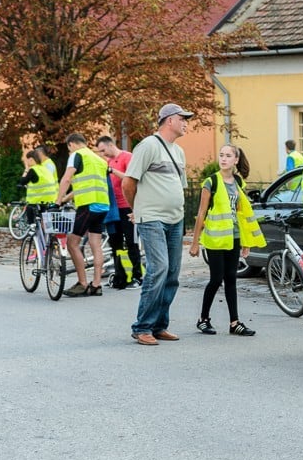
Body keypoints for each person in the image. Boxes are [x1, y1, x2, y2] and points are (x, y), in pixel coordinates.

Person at [123, 103, 194, 346]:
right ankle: (142, 327)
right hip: (151, 218)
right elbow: (128, 184)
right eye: (183, 118)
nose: (186, 123)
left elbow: (179, 186)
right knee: (159, 268)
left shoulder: (179, 152)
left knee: (172, 273)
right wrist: (137, 210)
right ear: (169, 120)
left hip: (175, 219)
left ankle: (159, 325)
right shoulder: (148, 146)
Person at [189, 144, 265, 336]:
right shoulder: (211, 181)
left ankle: (234, 322)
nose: (223, 159)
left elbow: (242, 213)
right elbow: (201, 212)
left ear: (236, 160)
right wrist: (195, 242)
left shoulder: (238, 181)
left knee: (231, 279)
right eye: (221, 155)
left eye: (228, 156)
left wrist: (246, 241)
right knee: (216, 279)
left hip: (234, 237)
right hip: (215, 238)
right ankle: (203, 319)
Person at [56, 134, 110, 296]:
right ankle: (96, 284)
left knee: (72, 243)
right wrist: (66, 198)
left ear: (71, 144)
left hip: (88, 205)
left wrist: (57, 201)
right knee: (96, 244)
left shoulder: (76, 155)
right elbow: (86, 184)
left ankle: (82, 282)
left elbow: (67, 179)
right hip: (102, 205)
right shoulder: (99, 160)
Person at [96, 136, 143, 290]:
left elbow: (131, 179)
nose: (103, 154)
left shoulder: (127, 157)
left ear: (111, 145)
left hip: (127, 206)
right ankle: (120, 276)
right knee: (115, 243)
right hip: (113, 208)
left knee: (131, 242)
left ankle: (137, 276)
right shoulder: (108, 162)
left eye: (103, 150)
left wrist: (113, 171)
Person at [18, 149, 58, 226]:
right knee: (43, 215)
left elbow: (22, 181)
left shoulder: (33, 169)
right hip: (50, 198)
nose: (27, 163)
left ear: (31, 159)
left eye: (27, 160)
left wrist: (26, 170)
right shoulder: (45, 169)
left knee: (29, 207)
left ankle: (31, 226)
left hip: (38, 198)